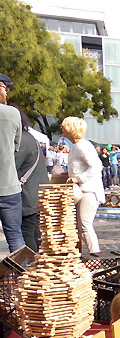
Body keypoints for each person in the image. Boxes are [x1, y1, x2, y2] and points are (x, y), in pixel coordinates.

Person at [63, 117, 105, 254]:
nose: (61, 128)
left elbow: (97, 166)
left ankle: (95, 255)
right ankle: (87, 254)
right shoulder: (75, 146)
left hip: (89, 191)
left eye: (64, 126)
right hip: (82, 191)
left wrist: (78, 178)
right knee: (80, 227)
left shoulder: (82, 145)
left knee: (85, 225)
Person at [13, 106, 48, 252]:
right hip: (37, 190)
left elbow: (12, 166)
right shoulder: (29, 137)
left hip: (29, 193)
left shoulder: (21, 139)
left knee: (27, 231)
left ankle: (33, 266)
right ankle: (38, 264)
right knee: (34, 231)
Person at [0, 75, 26, 253]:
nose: (6, 91)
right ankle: (22, 278)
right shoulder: (12, 113)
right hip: (8, 185)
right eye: (4, 87)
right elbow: (16, 147)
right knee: (15, 236)